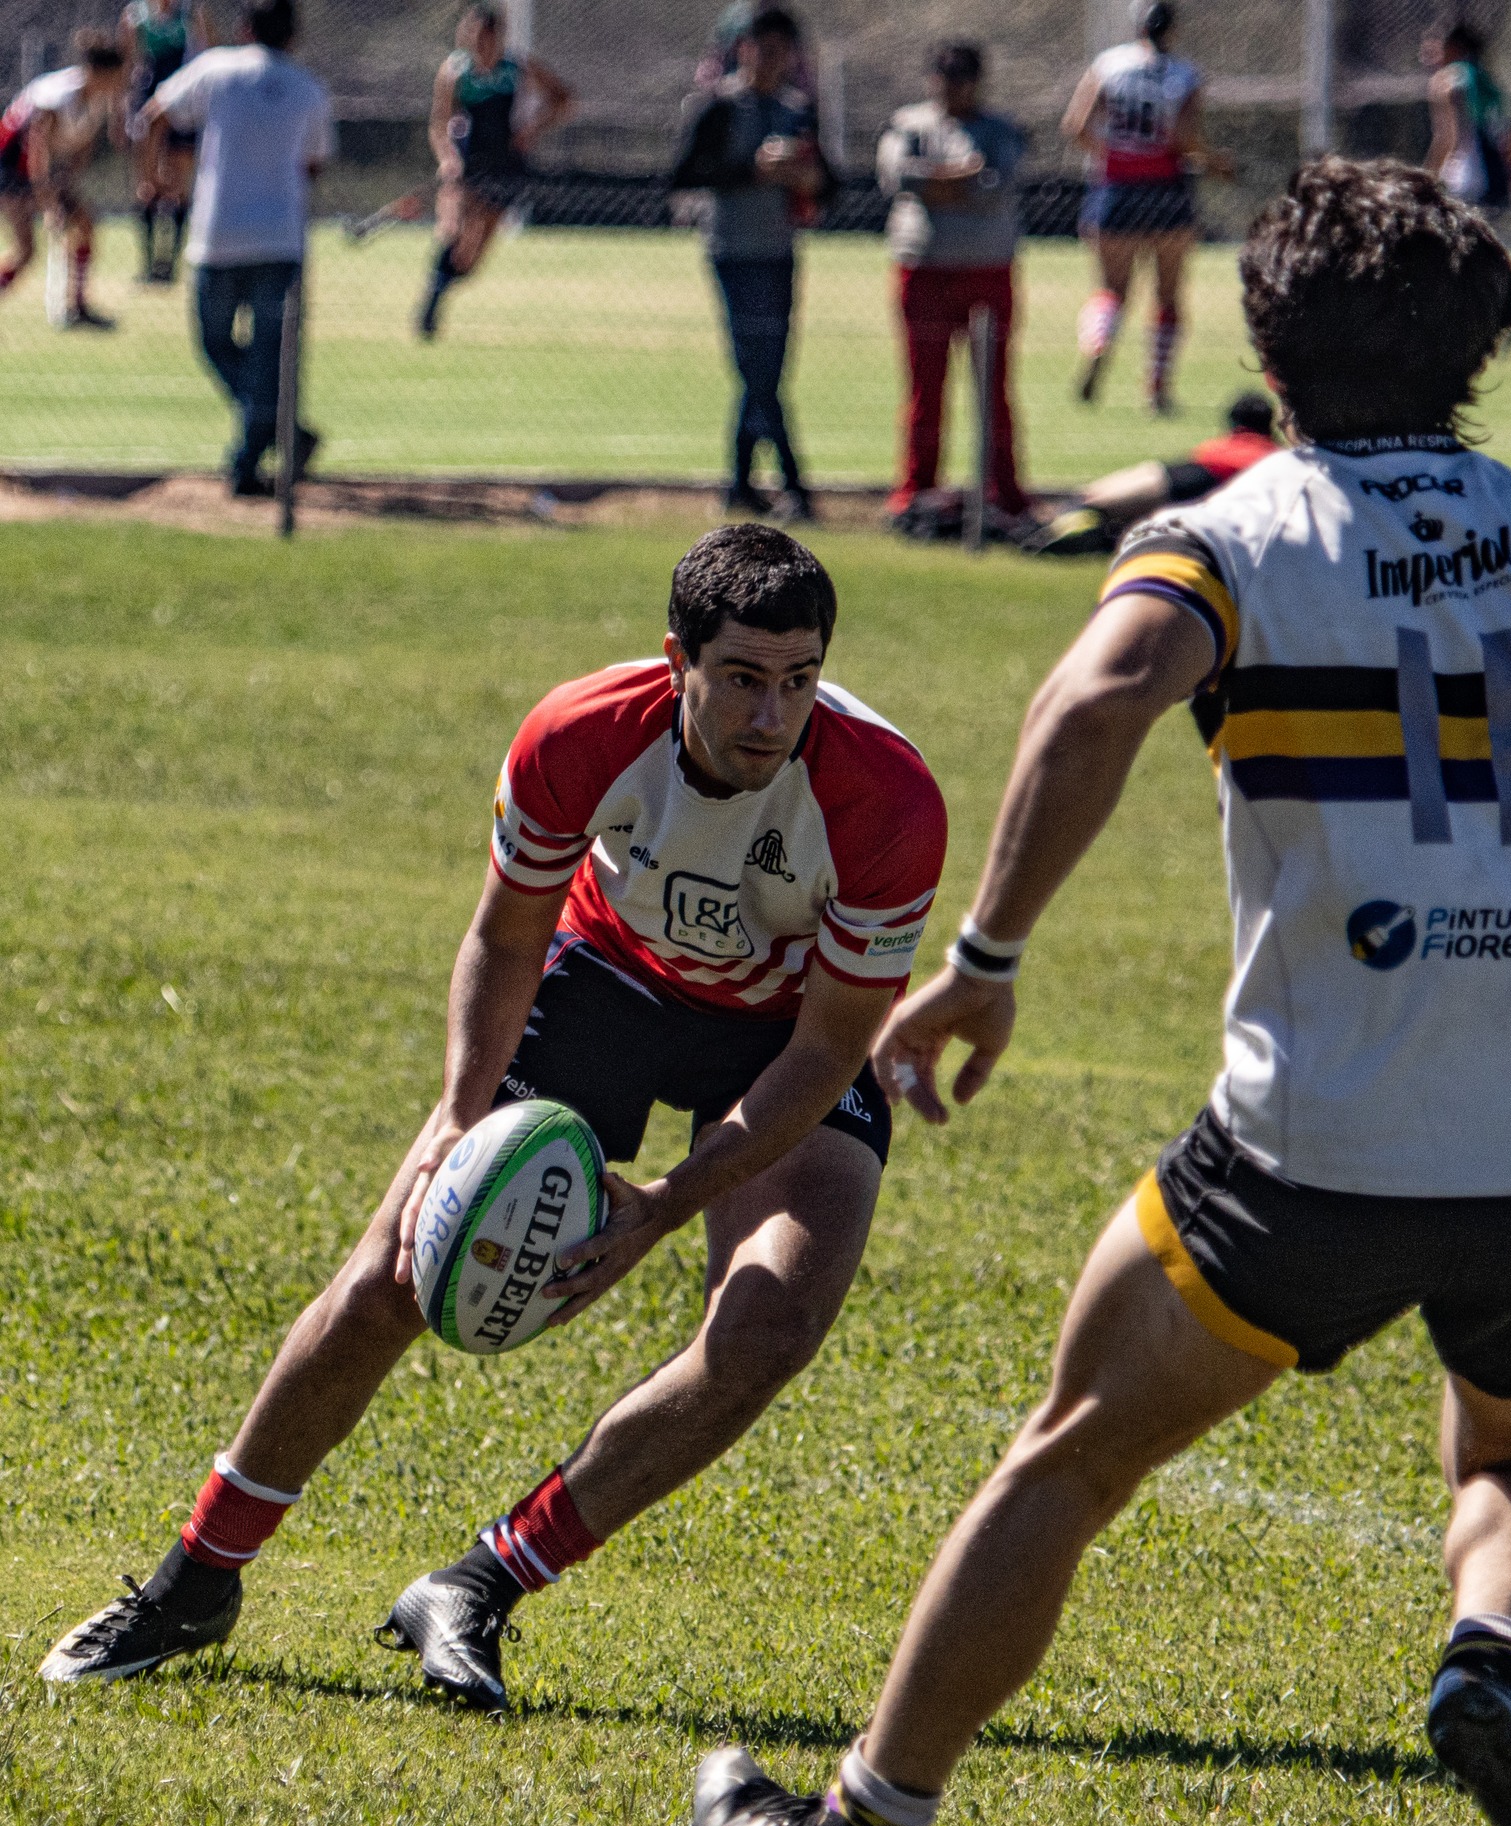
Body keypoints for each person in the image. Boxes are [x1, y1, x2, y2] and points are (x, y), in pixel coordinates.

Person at [690, 158, 1511, 1826]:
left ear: (1267, 337)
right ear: (1483, 339)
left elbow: (1090, 700)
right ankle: (1486, 1666)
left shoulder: (1235, 539)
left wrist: (983, 965)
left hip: (1300, 1156)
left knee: (1068, 1459)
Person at [41, 526, 949, 1716]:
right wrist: (451, 1125)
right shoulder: (580, 732)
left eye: (799, 679)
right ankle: (196, 1577)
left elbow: (831, 1046)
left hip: (778, 1030)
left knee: (769, 1324)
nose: (771, 712)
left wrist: (667, 1206)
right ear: (678, 658)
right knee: (393, 1267)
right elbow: (507, 935)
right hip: (608, 980)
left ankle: (478, 1581)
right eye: (740, 677)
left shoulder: (885, 798)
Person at [136, 0, 332, 499]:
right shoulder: (308, 88)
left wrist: (155, 176)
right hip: (280, 239)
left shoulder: (215, 68)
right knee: (270, 358)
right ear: (295, 36)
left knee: (215, 343)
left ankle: (247, 463)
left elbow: (154, 113)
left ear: (244, 29)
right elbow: (314, 164)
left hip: (216, 234)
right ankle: (279, 432)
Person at [672, 8, 833, 521]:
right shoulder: (716, 107)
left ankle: (739, 483)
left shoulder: (798, 109)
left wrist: (806, 180)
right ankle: (795, 485)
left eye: (780, 51)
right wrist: (753, 171)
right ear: (742, 50)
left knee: (766, 370)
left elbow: (831, 184)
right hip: (732, 251)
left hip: (779, 251)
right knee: (756, 369)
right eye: (761, 48)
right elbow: (682, 173)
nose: (769, 60)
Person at [877, 44, 1029, 525]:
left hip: (987, 269)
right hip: (923, 268)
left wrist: (938, 184)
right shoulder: (909, 124)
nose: (952, 86)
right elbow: (899, 178)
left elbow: (996, 187)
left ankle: (1004, 493)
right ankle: (916, 490)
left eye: (962, 77)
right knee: (925, 387)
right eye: (944, 76)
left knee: (994, 390)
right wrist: (957, 178)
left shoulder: (1000, 131)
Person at [1062, 0, 1224, 413]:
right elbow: (1186, 138)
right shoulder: (1185, 74)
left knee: (1111, 290)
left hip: (1115, 189)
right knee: (1167, 294)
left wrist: (1114, 156)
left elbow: (1077, 126)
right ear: (1172, 29)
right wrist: (1218, 162)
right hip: (1166, 189)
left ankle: (1098, 345)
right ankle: (1156, 388)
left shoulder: (1108, 64)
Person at [416, 5, 573, 340]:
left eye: (486, 38)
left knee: (471, 258)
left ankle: (443, 286)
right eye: (473, 38)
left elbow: (563, 99)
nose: (479, 45)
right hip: (467, 165)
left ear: (498, 37)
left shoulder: (516, 68)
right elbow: (438, 124)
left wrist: (530, 131)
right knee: (454, 227)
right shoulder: (455, 71)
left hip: (504, 167)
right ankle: (431, 301)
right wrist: (447, 158)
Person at [1026, 387, 1276, 555]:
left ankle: (1046, 523)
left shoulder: (1225, 444)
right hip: (1203, 480)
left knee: (1096, 498)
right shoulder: (1272, 453)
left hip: (1190, 469)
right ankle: (1061, 527)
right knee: (1112, 509)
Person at [0, 34, 126, 328]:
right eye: (117, 76)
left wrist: (65, 181)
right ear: (99, 73)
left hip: (38, 172)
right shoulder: (59, 95)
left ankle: (76, 308)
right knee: (26, 252)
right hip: (10, 169)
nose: (120, 83)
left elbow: (82, 148)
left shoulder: (98, 99)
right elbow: (36, 153)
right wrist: (49, 205)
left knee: (84, 223)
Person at [122, 0, 212, 282]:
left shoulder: (191, 14)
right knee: (147, 185)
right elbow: (127, 67)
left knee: (178, 184)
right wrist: (122, 112)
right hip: (148, 102)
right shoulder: (135, 17)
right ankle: (148, 264)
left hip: (182, 104)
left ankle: (171, 263)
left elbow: (209, 58)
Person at [1423, 21, 1511, 215]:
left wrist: (1427, 179)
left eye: (1433, 46)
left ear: (1453, 48)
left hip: (1462, 177)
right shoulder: (1486, 80)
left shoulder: (1446, 79)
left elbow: (1446, 137)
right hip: (1495, 177)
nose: (1425, 54)